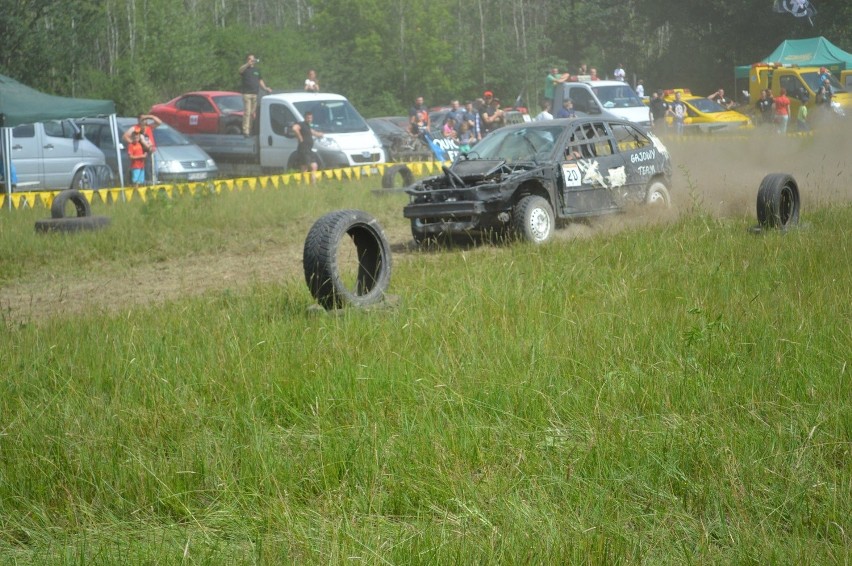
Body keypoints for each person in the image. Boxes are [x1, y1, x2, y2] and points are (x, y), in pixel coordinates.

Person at [238, 53, 272, 136]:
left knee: (252, 113)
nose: (251, 60)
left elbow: (260, 80)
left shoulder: (256, 70)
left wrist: (265, 88)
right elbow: (240, 70)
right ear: (247, 60)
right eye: (250, 59)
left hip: (255, 94)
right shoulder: (245, 69)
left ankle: (250, 129)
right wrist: (247, 64)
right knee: (247, 112)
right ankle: (246, 130)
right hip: (247, 94)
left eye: (253, 59)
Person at [122, 113, 162, 182]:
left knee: (154, 169)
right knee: (145, 170)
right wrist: (135, 143)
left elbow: (159, 122)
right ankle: (144, 184)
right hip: (142, 152)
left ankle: (153, 183)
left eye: (145, 119)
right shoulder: (135, 128)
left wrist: (150, 116)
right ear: (138, 120)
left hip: (151, 151)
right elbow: (125, 137)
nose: (144, 121)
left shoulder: (149, 127)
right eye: (142, 119)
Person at [291, 111, 323, 183]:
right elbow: (294, 128)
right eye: (308, 118)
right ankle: (304, 184)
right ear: (305, 117)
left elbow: (313, 132)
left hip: (309, 150)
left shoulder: (308, 126)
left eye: (311, 118)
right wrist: (299, 137)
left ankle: (313, 185)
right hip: (303, 150)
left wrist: (319, 134)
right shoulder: (301, 124)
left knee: (314, 166)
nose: (309, 119)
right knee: (304, 168)